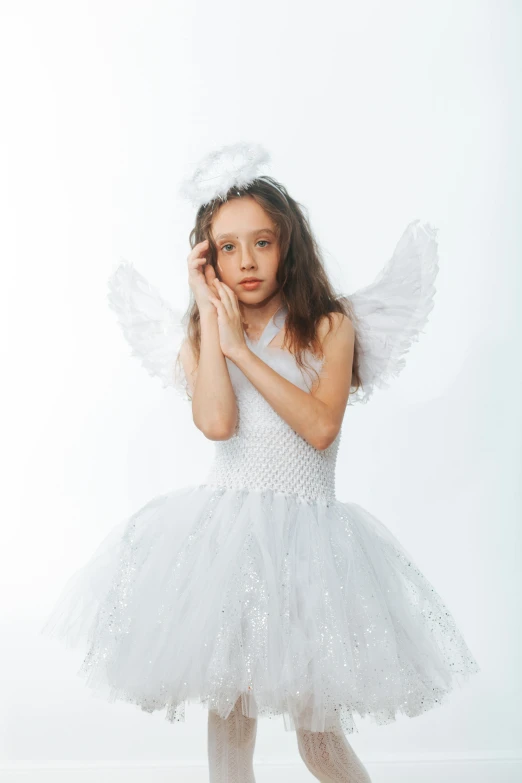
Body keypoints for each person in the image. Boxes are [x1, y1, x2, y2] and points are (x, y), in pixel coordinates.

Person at [41, 142, 480, 782]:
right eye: (226, 247)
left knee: (319, 738)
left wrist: (244, 352)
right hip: (227, 545)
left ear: (287, 246)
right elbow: (217, 424)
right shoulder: (203, 334)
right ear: (208, 257)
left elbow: (320, 427)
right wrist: (213, 328)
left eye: (262, 243)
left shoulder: (330, 326)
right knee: (230, 724)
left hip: (311, 547)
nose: (246, 261)